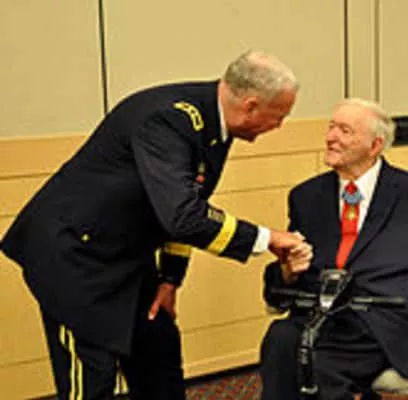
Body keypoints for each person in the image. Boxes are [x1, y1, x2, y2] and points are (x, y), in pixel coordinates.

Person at [0, 50, 307, 400]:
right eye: (278, 117)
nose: (278, 126)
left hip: (128, 257)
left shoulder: (216, 123)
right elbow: (184, 216)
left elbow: (187, 208)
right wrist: (266, 238)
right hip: (75, 258)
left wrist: (169, 279)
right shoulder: (168, 120)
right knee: (91, 380)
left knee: (159, 358)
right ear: (251, 106)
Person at [260, 98, 408, 399]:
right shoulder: (306, 197)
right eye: (331, 127)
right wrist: (287, 271)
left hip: (388, 324)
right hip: (322, 318)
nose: (331, 137)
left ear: (375, 145)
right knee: (280, 339)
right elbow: (279, 286)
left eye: (345, 131)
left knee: (317, 365)